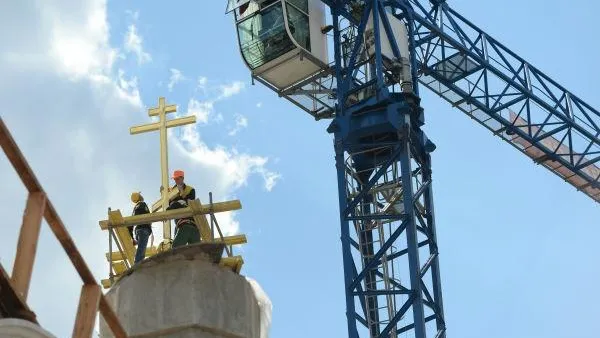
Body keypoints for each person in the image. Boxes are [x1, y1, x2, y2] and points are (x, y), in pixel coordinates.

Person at [129, 192, 152, 263]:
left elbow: (130, 223)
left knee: (141, 249)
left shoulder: (136, 207)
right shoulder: (142, 204)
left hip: (140, 230)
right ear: (139, 197)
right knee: (141, 251)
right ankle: (137, 266)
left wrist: (132, 237)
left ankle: (138, 264)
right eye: (140, 195)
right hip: (143, 229)